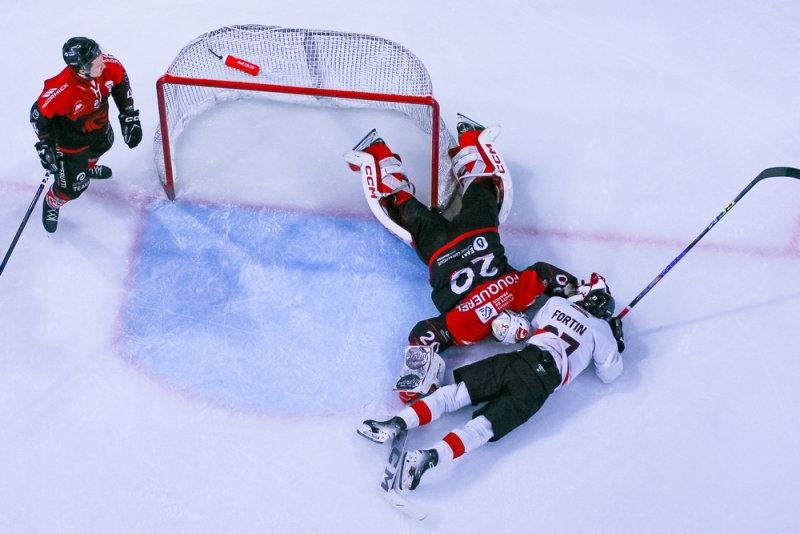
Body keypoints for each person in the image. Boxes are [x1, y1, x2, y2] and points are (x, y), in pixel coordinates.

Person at [345, 118, 578, 402]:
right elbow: (424, 333)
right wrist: (417, 377)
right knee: (402, 205)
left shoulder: (517, 297)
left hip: (476, 233)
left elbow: (545, 273)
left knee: (482, 189)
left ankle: (470, 142)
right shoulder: (471, 328)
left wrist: (579, 292)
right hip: (440, 248)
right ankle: (378, 155)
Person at [357, 275, 626, 491]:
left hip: (518, 361)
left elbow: (530, 330)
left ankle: (394, 424)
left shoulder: (558, 305)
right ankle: (428, 458)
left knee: (454, 395)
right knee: (481, 428)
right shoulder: (603, 332)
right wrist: (616, 337)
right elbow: (609, 374)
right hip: (538, 387)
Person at [30, 37, 142, 233]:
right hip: (70, 143)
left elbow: (121, 86)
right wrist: (45, 146)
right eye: (97, 63)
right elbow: (37, 117)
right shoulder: (60, 89)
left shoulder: (109, 66)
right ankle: (52, 202)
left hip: (99, 130)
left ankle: (88, 167)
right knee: (73, 189)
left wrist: (129, 117)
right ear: (82, 69)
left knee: (105, 144)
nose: (103, 62)